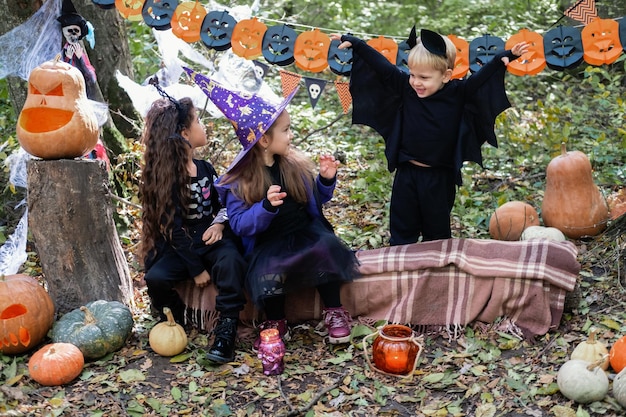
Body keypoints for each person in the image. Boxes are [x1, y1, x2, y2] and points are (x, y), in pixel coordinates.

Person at [185, 70, 360, 347]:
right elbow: (240, 223)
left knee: (326, 248)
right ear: (264, 140)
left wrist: (325, 181)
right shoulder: (239, 182)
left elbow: (315, 199)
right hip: (270, 242)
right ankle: (276, 319)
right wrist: (265, 207)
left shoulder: (294, 166)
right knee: (267, 271)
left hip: (305, 233)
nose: (291, 135)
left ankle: (334, 310)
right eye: (286, 130)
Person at [330, 29, 528, 245]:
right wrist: (358, 45)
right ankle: (401, 266)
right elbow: (383, 68)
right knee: (402, 229)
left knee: (436, 233)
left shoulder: (458, 93)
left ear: (446, 75)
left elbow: (480, 80)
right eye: (413, 74)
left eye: (424, 77)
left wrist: (501, 58)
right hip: (407, 173)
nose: (416, 82)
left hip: (439, 178)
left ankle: (434, 271)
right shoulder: (407, 88)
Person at [138, 80, 247, 364]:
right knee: (156, 277)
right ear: (185, 134)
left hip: (210, 236)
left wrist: (219, 225)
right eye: (198, 121)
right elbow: (172, 228)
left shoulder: (206, 169)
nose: (204, 126)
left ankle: (226, 327)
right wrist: (196, 269)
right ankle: (173, 317)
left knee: (231, 260)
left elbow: (224, 205)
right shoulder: (167, 179)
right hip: (181, 243)